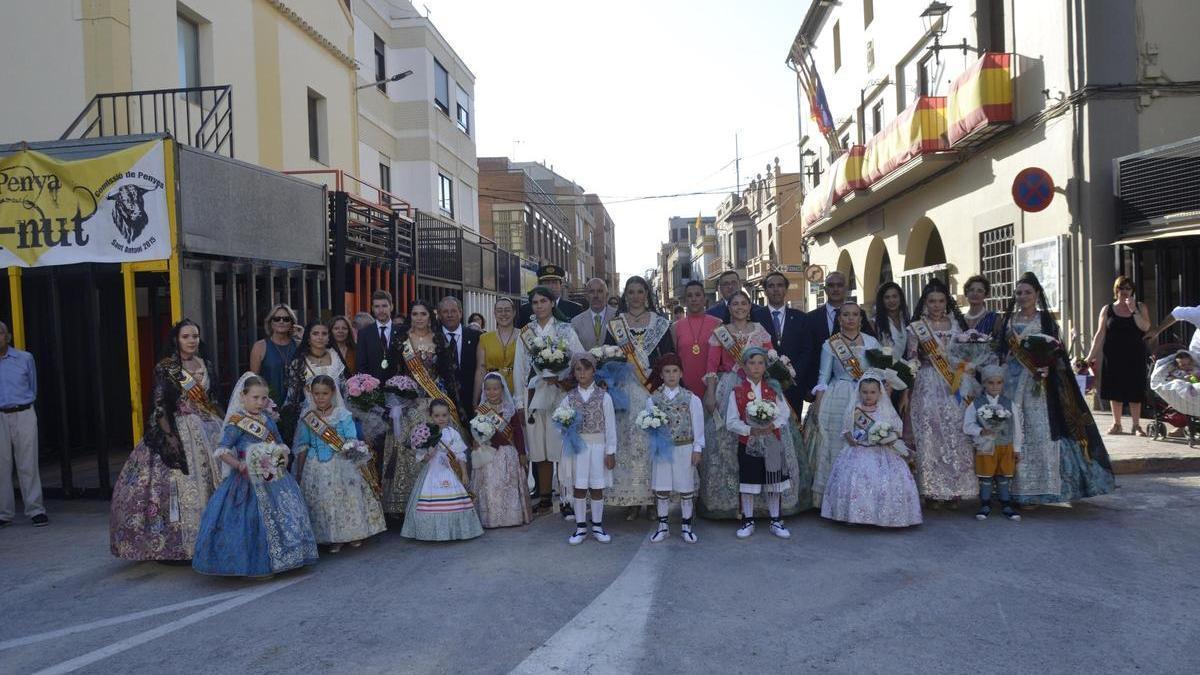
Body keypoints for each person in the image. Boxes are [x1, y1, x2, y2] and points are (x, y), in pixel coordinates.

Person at [994, 272, 1115, 506]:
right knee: (1013, 430)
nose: (1023, 296)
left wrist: (1048, 367)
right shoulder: (1007, 321)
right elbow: (998, 350)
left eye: (1028, 292)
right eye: (1019, 293)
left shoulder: (1047, 322)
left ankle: (1041, 489)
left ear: (1037, 294)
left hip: (1039, 385)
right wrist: (1004, 358)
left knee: (1039, 430)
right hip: (1011, 382)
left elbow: (1059, 355)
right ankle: (1012, 488)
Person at [110, 319, 223, 558]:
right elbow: (160, 404)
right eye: (186, 337)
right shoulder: (167, 367)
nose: (191, 340)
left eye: (194, 336)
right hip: (180, 428)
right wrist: (170, 436)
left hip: (209, 427)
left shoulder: (207, 364)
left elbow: (213, 399)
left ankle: (215, 537)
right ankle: (183, 544)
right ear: (176, 340)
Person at [192, 373, 318, 577]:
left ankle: (284, 558)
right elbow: (223, 449)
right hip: (246, 479)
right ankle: (253, 563)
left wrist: (282, 458)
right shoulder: (236, 422)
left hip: (273, 476)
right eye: (255, 398)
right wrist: (239, 465)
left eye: (264, 398)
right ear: (243, 397)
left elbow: (279, 443)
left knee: (281, 515)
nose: (260, 402)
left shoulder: (267, 420)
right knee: (250, 520)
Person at [700, 291, 803, 519]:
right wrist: (710, 394)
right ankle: (733, 504)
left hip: (760, 386)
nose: (739, 307)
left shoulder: (760, 330)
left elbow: (770, 360)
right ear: (729, 307)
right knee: (728, 446)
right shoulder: (720, 333)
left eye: (743, 303)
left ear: (750, 306)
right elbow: (711, 367)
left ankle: (769, 506)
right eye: (734, 303)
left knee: (770, 441)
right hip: (731, 389)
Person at [380, 300, 461, 518]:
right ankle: (405, 502)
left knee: (440, 447)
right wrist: (399, 392)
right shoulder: (400, 341)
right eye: (414, 314)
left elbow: (448, 373)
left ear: (430, 316)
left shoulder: (440, 339)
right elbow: (393, 372)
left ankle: (440, 497)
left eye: (423, 314)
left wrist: (452, 401)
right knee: (408, 449)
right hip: (408, 405)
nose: (418, 318)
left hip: (435, 402)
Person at [604, 276, 674, 518]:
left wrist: (661, 383)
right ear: (626, 295)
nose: (636, 296)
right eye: (631, 292)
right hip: (625, 392)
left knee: (652, 444)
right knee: (628, 445)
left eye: (640, 291)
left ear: (647, 294)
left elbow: (669, 357)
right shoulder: (616, 324)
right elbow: (607, 357)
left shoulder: (660, 323)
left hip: (652, 391)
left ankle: (654, 498)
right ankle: (632, 498)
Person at [293, 375, 386, 552]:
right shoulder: (308, 417)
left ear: (333, 393)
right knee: (323, 501)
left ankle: (352, 534)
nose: (320, 397)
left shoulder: (342, 415)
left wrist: (350, 450)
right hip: (315, 465)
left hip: (340, 462)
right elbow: (303, 444)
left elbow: (351, 438)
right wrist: (299, 471)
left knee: (343, 499)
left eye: (325, 393)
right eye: (316, 394)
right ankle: (330, 537)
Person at [514, 286, 585, 516]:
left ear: (553, 303)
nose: (540, 306)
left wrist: (563, 378)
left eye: (544, 301)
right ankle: (544, 499)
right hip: (534, 395)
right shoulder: (525, 332)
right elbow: (520, 368)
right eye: (535, 302)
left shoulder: (565, 329)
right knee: (539, 449)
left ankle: (565, 498)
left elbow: (579, 359)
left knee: (560, 447)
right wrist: (519, 402)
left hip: (560, 394)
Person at [906, 279, 977, 506]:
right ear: (925, 303)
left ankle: (955, 489)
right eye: (932, 301)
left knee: (956, 433)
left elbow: (967, 352)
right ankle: (932, 490)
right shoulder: (917, 327)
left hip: (955, 384)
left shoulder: (957, 324)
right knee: (930, 435)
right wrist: (915, 361)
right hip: (927, 382)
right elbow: (911, 357)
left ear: (947, 302)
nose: (936, 305)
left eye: (941, 301)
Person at [820, 370, 922, 528]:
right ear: (859, 392)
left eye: (872, 392)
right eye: (865, 392)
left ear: (879, 392)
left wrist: (886, 436)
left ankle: (882, 516)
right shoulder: (855, 410)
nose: (868, 395)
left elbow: (897, 429)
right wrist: (850, 439)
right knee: (855, 479)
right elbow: (846, 430)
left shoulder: (885, 410)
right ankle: (855, 515)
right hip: (858, 450)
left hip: (882, 452)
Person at [807, 302, 881, 507]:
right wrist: (818, 405)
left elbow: (880, 373)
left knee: (865, 443)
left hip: (866, 395)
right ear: (839, 319)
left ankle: (864, 496)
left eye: (854, 315)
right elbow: (823, 376)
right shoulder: (830, 344)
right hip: (838, 395)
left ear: (860, 318)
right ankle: (835, 497)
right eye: (846, 315)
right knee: (838, 444)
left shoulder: (872, 342)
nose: (850, 318)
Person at [724, 347, 793, 539]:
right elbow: (731, 422)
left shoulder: (773, 388)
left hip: (772, 442)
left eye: (760, 363)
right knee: (749, 482)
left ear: (765, 366)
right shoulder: (737, 392)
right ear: (744, 366)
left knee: (774, 482)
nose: (756, 367)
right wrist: (749, 429)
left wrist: (773, 425)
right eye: (751, 363)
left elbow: (784, 413)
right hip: (748, 443)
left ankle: (775, 520)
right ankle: (748, 520)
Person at [554, 352, 617, 545]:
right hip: (577, 449)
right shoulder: (569, 398)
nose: (582, 373)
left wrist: (610, 451)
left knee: (597, 487)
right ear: (573, 372)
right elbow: (559, 422)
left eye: (586, 369)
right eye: (578, 369)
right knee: (579, 487)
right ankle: (581, 527)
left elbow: (610, 426)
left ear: (594, 370)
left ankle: (597, 525)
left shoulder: (604, 397)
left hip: (598, 447)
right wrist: (565, 428)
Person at [400, 399, 483, 541]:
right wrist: (428, 453)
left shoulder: (453, 434)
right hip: (432, 473)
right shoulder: (425, 433)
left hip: (450, 472)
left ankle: (456, 532)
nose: (441, 419)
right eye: (437, 416)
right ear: (430, 416)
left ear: (449, 415)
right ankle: (429, 532)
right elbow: (422, 458)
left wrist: (464, 473)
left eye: (444, 415)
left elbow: (460, 456)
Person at [646, 354, 704, 544]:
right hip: (662, 450)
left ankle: (686, 526)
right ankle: (663, 526)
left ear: (681, 373)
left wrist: (697, 448)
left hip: (684, 448)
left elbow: (698, 426)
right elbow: (648, 425)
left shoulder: (691, 398)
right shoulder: (653, 399)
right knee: (662, 488)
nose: (671, 375)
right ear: (661, 375)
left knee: (685, 487)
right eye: (667, 372)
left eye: (675, 371)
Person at [1085, 276, 1151, 435]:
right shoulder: (1107, 309)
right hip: (1113, 354)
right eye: (1121, 288)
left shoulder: (1140, 307)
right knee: (1115, 390)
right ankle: (1117, 424)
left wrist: (1133, 310)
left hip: (1135, 354)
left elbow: (1146, 327)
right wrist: (1089, 357)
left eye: (1128, 288)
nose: (1125, 292)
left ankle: (1136, 426)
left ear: (1132, 291)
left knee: (1135, 389)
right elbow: (1100, 334)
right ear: (1116, 290)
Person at [469, 372, 532, 528]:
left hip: (507, 454)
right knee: (490, 487)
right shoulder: (481, 410)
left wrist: (522, 453)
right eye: (488, 389)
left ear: (502, 389)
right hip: (488, 455)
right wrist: (475, 443)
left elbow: (517, 433)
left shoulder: (510, 410)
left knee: (508, 486)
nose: (492, 392)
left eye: (495, 389)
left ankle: (511, 517)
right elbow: (475, 432)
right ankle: (490, 519)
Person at [962, 365, 1023, 522]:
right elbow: (967, 425)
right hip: (986, 446)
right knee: (986, 476)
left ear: (1003, 384)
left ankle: (1006, 505)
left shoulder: (1010, 404)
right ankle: (985, 505)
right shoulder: (976, 404)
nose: (995, 386)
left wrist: (1017, 448)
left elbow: (1017, 428)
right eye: (991, 383)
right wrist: (981, 431)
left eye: (999, 383)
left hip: (1005, 445)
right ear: (984, 384)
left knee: (1004, 476)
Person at [0, 321, 45, 528]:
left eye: (0, 333)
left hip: (24, 411)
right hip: (0, 414)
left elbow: (33, 386)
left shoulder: (25, 358)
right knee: (2, 465)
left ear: (7, 336)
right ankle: (4, 513)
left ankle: (35, 509)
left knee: (28, 462)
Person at [279, 319, 348, 444]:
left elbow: (344, 389)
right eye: (315, 333)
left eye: (324, 333)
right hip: (312, 419)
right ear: (308, 338)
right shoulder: (299, 362)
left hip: (338, 415)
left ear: (329, 337)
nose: (320, 337)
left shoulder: (335, 356)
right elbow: (291, 395)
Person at [796, 271, 849, 405]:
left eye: (839, 285)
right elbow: (807, 353)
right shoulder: (811, 318)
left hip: (850, 385)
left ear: (845, 288)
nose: (835, 289)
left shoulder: (859, 315)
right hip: (819, 386)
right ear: (825, 289)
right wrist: (807, 386)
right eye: (831, 285)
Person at [762, 271, 806, 417]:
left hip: (792, 385)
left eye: (780, 285)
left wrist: (791, 374)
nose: (776, 289)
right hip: (764, 384)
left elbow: (807, 350)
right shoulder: (755, 317)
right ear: (765, 290)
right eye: (771, 286)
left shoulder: (800, 317)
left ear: (786, 289)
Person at [673, 280, 722, 398]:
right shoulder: (675, 327)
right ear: (685, 301)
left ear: (704, 298)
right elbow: (674, 359)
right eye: (689, 296)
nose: (694, 299)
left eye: (698, 295)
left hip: (712, 389)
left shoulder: (718, 324)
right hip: (684, 389)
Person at [439, 295, 481, 423]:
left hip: (471, 401)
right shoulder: (432, 337)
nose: (450, 315)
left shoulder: (476, 337)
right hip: (442, 404)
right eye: (445, 312)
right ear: (440, 315)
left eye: (453, 311)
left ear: (461, 313)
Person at [249, 303, 300, 408]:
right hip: (269, 405)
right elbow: (254, 381)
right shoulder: (260, 346)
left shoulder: (299, 345)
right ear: (270, 322)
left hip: (296, 404)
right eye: (277, 318)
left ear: (292, 323)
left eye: (286, 319)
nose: (281, 321)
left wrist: (304, 338)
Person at [474, 296, 520, 407]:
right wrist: (475, 398)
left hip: (518, 389)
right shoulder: (484, 338)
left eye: (507, 310)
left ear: (514, 313)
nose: (503, 314)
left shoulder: (523, 336)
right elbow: (481, 369)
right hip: (492, 391)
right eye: (499, 310)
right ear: (494, 313)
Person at [706, 270, 774, 336]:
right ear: (720, 288)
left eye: (733, 283)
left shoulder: (759, 312)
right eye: (726, 284)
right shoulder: (711, 315)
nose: (730, 287)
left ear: (740, 285)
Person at [516, 264, 583, 327]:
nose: (551, 286)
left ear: (561, 285)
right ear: (540, 285)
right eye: (547, 283)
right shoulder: (526, 310)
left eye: (554, 282)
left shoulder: (575, 309)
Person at [357, 291, 401, 382]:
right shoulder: (364, 333)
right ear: (372, 308)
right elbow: (361, 364)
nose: (381, 310)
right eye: (377, 306)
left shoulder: (402, 331)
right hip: (372, 390)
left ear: (391, 307)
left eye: (384, 306)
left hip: (399, 389)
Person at [571, 278, 616, 351]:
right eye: (591, 292)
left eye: (600, 291)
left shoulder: (618, 317)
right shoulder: (576, 322)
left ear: (607, 295)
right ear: (586, 296)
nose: (596, 296)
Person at [871, 281, 911, 358]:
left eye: (894, 296)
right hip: (885, 368)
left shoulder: (906, 320)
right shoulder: (874, 323)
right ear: (882, 300)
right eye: (887, 297)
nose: (891, 300)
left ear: (900, 298)